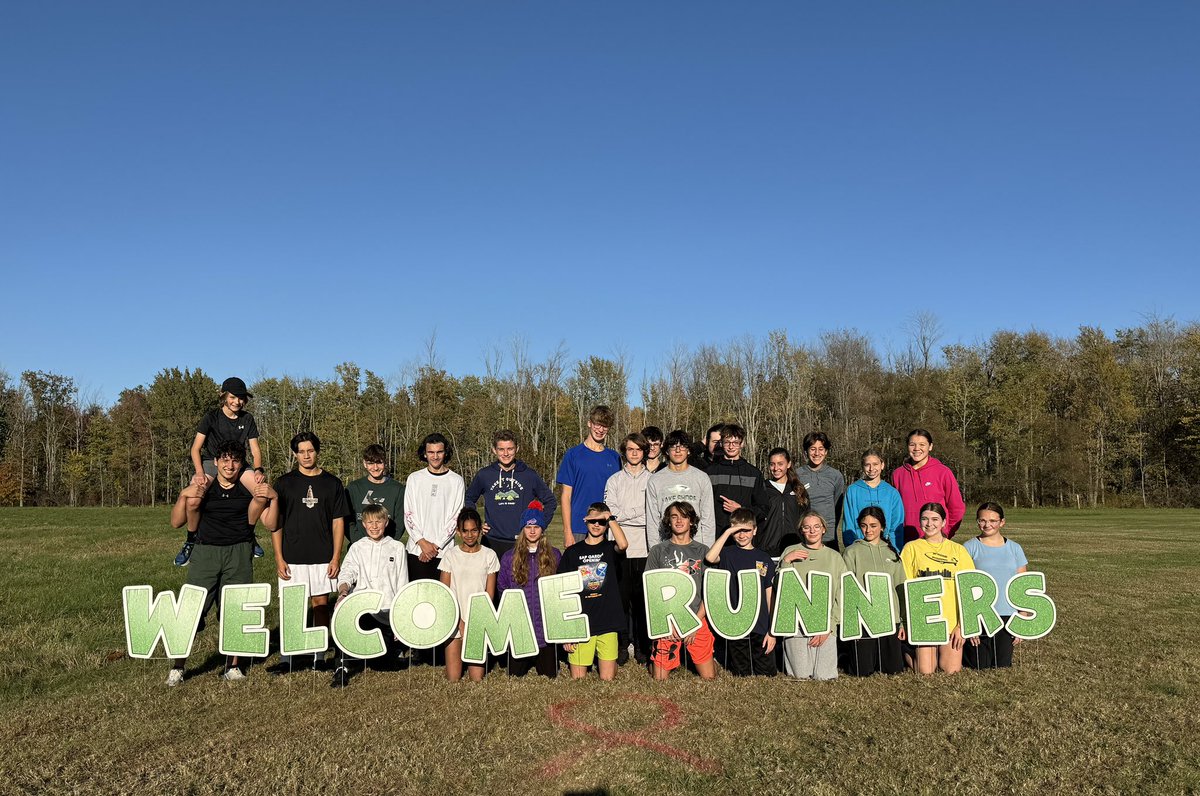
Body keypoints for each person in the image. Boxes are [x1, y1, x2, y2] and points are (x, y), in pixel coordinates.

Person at [165, 440, 275, 685]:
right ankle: (178, 667)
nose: (229, 465)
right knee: (191, 611)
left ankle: (233, 665)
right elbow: (175, 522)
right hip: (206, 552)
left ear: (241, 464)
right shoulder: (204, 487)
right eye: (224, 460)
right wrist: (184, 494)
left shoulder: (248, 489)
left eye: (235, 460)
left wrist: (272, 497)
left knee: (235, 611)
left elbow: (271, 522)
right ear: (215, 463)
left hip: (238, 552)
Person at [267, 431, 349, 672]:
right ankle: (287, 658)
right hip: (292, 556)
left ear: (317, 451)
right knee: (292, 607)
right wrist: (279, 557)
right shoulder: (284, 483)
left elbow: (338, 522)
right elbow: (276, 524)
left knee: (321, 604)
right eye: (301, 452)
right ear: (295, 454)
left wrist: (336, 556)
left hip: (323, 556)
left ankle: (319, 656)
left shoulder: (332, 483)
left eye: (310, 451)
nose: (306, 455)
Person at [176, 376, 266, 565]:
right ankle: (191, 540)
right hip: (211, 462)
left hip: (238, 462)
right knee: (193, 499)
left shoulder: (247, 419)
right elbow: (195, 448)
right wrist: (199, 472)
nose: (237, 402)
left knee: (261, 492)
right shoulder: (211, 417)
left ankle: (249, 536)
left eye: (241, 398)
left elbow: (255, 449)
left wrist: (258, 469)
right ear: (224, 396)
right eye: (233, 397)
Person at [330, 504, 409, 688]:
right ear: (364, 524)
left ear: (386, 522)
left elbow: (402, 584)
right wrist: (343, 592)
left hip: (386, 613)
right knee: (342, 617)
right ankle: (342, 667)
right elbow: (347, 573)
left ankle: (388, 652)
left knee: (383, 666)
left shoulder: (397, 548)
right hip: (363, 611)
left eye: (378, 522)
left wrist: (400, 623)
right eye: (370, 522)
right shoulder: (357, 548)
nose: (374, 526)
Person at [900, 502, 976, 675]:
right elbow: (905, 588)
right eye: (924, 519)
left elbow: (968, 588)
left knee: (951, 670)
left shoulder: (958, 550)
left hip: (950, 621)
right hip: (924, 620)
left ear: (943, 522)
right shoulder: (911, 548)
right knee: (925, 671)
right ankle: (904, 649)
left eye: (935, 519)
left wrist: (961, 626)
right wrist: (905, 622)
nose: (929, 524)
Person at [556, 502, 628, 680]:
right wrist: (568, 632)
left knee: (607, 679)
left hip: (608, 622)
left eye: (601, 522)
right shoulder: (572, 552)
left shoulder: (611, 549)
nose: (597, 525)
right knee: (578, 679)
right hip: (582, 624)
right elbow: (562, 592)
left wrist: (610, 518)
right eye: (593, 521)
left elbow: (624, 544)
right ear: (585, 521)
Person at [645, 502, 717, 681]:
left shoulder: (702, 551)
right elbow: (652, 592)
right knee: (659, 678)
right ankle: (655, 659)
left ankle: (711, 657)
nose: (679, 521)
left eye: (684, 516)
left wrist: (695, 622)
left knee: (709, 677)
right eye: (674, 516)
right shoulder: (658, 551)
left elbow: (709, 593)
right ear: (668, 521)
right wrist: (664, 623)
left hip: (696, 617)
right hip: (668, 618)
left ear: (691, 521)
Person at [704, 508, 777, 676]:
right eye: (738, 531)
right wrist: (728, 531)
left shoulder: (763, 558)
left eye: (747, 530)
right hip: (735, 624)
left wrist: (771, 630)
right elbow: (710, 557)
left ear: (755, 530)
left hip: (760, 625)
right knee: (741, 672)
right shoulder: (727, 553)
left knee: (767, 672)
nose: (742, 535)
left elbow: (769, 594)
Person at [464, 430, 557, 559]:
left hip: (521, 541)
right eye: (501, 449)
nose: (506, 453)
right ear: (494, 450)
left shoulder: (529, 475)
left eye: (510, 449)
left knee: (520, 579)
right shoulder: (485, 475)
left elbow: (550, 501)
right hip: (491, 541)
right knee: (490, 580)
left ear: (517, 449)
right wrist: (476, 522)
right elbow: (469, 498)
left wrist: (539, 525)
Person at [778, 511, 847, 681]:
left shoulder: (835, 557)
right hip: (797, 622)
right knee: (800, 676)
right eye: (807, 527)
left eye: (817, 526)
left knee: (824, 676)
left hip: (825, 621)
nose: (812, 531)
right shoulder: (791, 550)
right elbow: (780, 586)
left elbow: (842, 594)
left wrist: (830, 626)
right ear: (801, 530)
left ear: (824, 529)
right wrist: (787, 561)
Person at [496, 501, 562, 678]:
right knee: (514, 675)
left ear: (542, 529)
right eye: (528, 526)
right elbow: (503, 588)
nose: (532, 531)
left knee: (550, 675)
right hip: (521, 629)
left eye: (536, 526)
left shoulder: (554, 555)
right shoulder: (509, 557)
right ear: (522, 529)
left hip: (544, 632)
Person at [604, 432, 652, 665]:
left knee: (642, 602)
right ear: (624, 452)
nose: (634, 453)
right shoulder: (614, 480)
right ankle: (622, 646)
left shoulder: (653, 480)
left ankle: (643, 647)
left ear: (644, 452)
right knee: (620, 602)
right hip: (620, 548)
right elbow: (610, 513)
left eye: (638, 449)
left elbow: (653, 514)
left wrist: (623, 516)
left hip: (644, 548)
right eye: (630, 449)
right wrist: (633, 514)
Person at [841, 506, 906, 676]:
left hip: (889, 618)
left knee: (893, 670)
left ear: (882, 527)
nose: (868, 530)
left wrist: (902, 622)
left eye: (873, 525)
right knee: (861, 671)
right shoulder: (851, 552)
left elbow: (901, 588)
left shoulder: (892, 553)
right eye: (864, 525)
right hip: (863, 618)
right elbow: (846, 588)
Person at [962, 502, 1028, 669]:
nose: (987, 525)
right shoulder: (969, 547)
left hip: (1007, 615)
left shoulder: (1015, 548)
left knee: (1002, 664)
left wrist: (1022, 619)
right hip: (981, 614)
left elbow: (1022, 584)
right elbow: (964, 586)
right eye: (982, 520)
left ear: (1002, 522)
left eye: (992, 520)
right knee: (979, 664)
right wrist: (970, 623)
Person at [439, 508, 500, 682]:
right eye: (465, 531)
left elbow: (489, 595)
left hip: (477, 619)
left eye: (474, 530)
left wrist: (475, 623)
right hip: (455, 619)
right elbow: (445, 594)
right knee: (453, 679)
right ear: (458, 532)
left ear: (480, 530)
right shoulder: (450, 555)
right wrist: (459, 622)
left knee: (476, 679)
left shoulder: (489, 555)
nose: (470, 535)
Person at [403, 433, 466, 584]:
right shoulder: (414, 478)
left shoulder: (456, 481)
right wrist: (422, 543)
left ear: (445, 453)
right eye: (431, 452)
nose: (435, 456)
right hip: (417, 551)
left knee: (442, 600)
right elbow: (408, 514)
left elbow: (456, 517)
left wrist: (436, 545)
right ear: (425, 453)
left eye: (439, 452)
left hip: (444, 552)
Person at [556, 406, 620, 547]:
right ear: (589, 423)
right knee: (579, 569)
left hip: (607, 527)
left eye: (605, 426)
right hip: (579, 527)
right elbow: (566, 496)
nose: (600, 430)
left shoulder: (615, 458)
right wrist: (568, 532)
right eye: (597, 424)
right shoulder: (573, 455)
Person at [892, 429, 966, 543]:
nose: (917, 448)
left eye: (922, 444)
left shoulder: (943, 472)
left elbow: (956, 507)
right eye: (912, 444)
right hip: (906, 541)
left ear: (930, 446)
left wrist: (946, 533)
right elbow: (894, 509)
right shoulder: (898, 474)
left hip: (936, 540)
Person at [645, 430, 716, 546]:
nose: (678, 450)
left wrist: (707, 550)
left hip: (696, 547)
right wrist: (655, 551)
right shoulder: (655, 480)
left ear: (688, 450)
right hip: (666, 547)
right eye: (673, 446)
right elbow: (653, 520)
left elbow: (708, 518)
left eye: (682, 446)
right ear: (667, 451)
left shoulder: (702, 478)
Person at [707, 423, 771, 535]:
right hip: (714, 535)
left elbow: (763, 508)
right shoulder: (709, 472)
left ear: (742, 444)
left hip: (743, 535)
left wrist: (741, 510)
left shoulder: (753, 473)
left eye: (735, 443)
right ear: (721, 443)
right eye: (727, 442)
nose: (731, 447)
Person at [842, 449, 905, 551]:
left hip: (886, 547)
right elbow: (848, 524)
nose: (871, 468)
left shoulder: (892, 493)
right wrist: (853, 549)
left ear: (882, 465)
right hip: (860, 547)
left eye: (875, 464)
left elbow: (896, 524)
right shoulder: (853, 490)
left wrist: (895, 550)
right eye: (867, 465)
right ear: (863, 466)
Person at [345, 444, 405, 544]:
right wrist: (357, 541)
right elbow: (347, 519)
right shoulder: (354, 488)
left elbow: (400, 522)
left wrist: (388, 543)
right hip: (359, 547)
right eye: (371, 463)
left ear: (385, 462)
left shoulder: (398, 489)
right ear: (365, 464)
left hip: (387, 547)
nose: (375, 467)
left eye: (379, 462)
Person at [796, 432, 844, 550]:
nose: (817, 453)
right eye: (812, 449)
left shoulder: (835, 476)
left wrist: (829, 527)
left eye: (821, 449)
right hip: (805, 535)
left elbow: (837, 507)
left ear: (826, 451)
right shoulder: (797, 475)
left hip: (829, 537)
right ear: (806, 451)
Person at [760, 447, 810, 557]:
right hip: (767, 550)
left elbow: (806, 518)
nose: (776, 468)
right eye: (772, 464)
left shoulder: (798, 489)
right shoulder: (762, 488)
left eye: (780, 464)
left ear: (788, 464)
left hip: (795, 549)